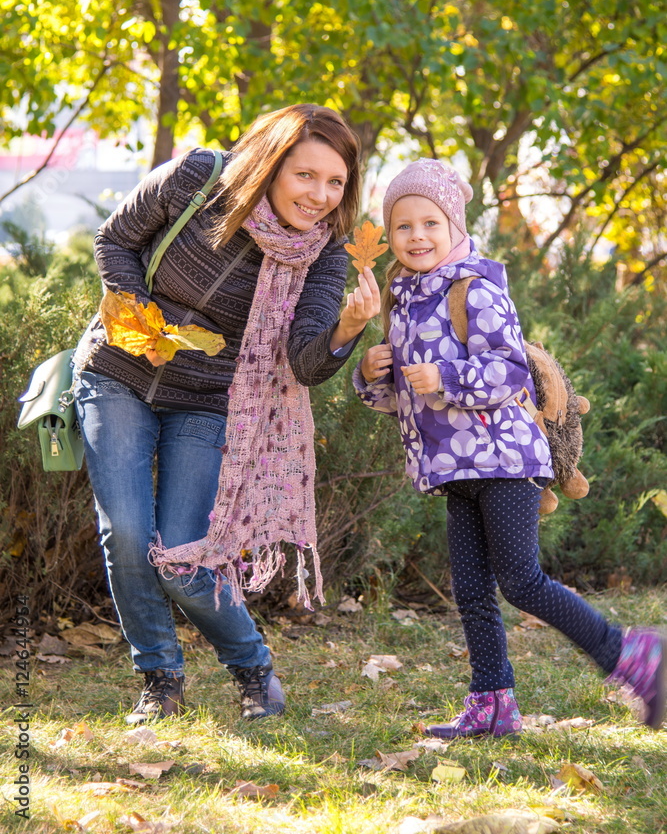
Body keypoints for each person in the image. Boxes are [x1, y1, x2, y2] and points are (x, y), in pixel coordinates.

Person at [73, 104, 381, 725]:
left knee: (188, 555)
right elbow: (116, 240)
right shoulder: (196, 179)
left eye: (336, 183)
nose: (320, 196)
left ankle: (252, 666)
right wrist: (137, 312)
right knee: (129, 535)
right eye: (306, 176)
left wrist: (347, 328)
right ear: (271, 163)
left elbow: (303, 362)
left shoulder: (321, 255)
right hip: (118, 372)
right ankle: (159, 680)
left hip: (211, 400)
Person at [353, 157, 666, 737]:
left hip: (504, 460)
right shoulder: (403, 299)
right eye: (403, 226)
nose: (417, 236)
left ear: (454, 227)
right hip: (455, 468)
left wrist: (445, 378)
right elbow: (403, 400)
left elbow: (509, 370)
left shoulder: (476, 289)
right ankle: (492, 704)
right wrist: (374, 375)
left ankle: (632, 656)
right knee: (471, 591)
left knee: (521, 580)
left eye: (430, 223)